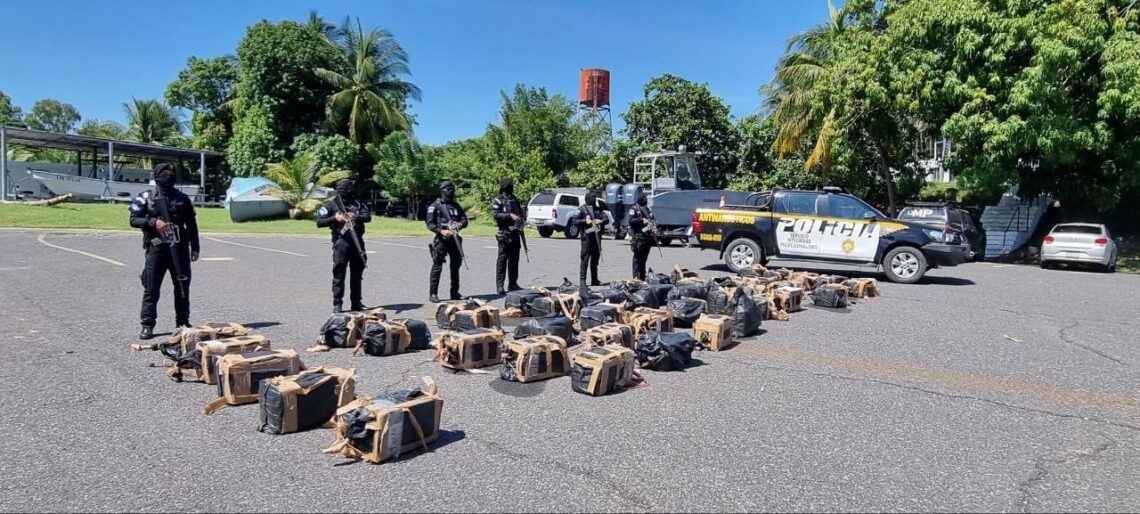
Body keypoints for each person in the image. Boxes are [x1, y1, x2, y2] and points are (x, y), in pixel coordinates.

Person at [129, 163, 200, 340]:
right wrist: (154, 223)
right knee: (151, 288)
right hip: (157, 248)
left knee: (182, 287)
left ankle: (182, 323)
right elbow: (134, 219)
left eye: (171, 173)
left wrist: (195, 247)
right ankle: (147, 325)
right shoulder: (146, 196)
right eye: (164, 173)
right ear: (156, 176)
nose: (168, 176)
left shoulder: (182, 198)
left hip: (179, 248)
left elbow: (191, 225)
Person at [316, 179, 373, 312]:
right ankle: (337, 303)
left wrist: (355, 216)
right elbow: (319, 222)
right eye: (344, 188)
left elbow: (368, 217)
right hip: (341, 242)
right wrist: (335, 218)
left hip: (357, 241)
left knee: (357, 273)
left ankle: (356, 302)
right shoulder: (331, 205)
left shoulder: (357, 203)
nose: (347, 191)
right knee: (339, 273)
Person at [426, 180, 468, 303]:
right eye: (448, 189)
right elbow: (430, 223)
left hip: (455, 239)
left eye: (452, 189)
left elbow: (465, 220)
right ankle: (433, 293)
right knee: (437, 266)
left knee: (455, 266)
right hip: (442, 240)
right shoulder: (435, 205)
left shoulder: (455, 205)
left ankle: (454, 292)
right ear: (443, 190)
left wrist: (459, 224)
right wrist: (441, 231)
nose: (451, 191)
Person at [492, 178, 525, 294]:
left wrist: (521, 219)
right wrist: (509, 216)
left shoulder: (514, 199)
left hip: (516, 233)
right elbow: (495, 214)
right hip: (504, 233)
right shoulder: (498, 200)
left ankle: (513, 284)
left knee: (514, 260)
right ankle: (500, 286)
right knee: (502, 261)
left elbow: (520, 213)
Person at [575, 191, 608, 286]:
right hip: (587, 238)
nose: (594, 199)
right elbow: (575, 221)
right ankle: (582, 280)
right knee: (585, 259)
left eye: (595, 197)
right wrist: (585, 221)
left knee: (595, 260)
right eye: (592, 197)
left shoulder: (598, 209)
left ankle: (594, 280)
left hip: (597, 237)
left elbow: (606, 219)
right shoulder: (582, 209)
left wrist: (600, 221)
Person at [627, 195, 656, 281]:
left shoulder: (647, 209)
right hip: (638, 236)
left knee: (644, 258)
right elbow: (631, 221)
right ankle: (636, 277)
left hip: (647, 236)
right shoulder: (634, 209)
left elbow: (652, 218)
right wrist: (641, 220)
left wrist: (654, 226)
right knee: (637, 258)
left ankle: (642, 277)